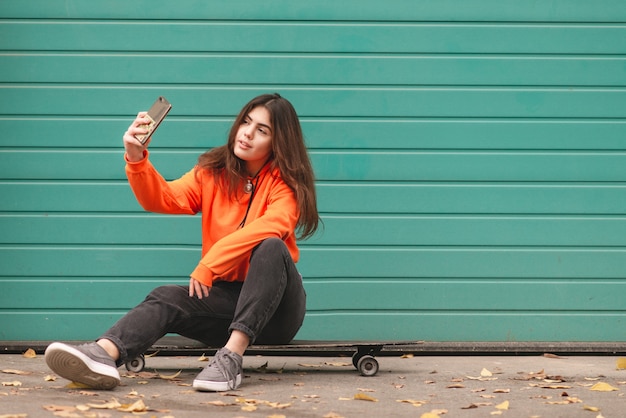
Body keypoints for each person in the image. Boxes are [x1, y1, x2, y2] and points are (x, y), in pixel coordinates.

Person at [44, 93, 320, 392]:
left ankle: (230, 358)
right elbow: (163, 198)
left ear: (278, 142)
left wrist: (209, 264)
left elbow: (270, 226)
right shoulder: (214, 172)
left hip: (277, 310)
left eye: (262, 130)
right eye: (246, 122)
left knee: (271, 246)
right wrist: (136, 157)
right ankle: (103, 354)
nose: (248, 133)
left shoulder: (286, 184)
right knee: (167, 296)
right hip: (229, 300)